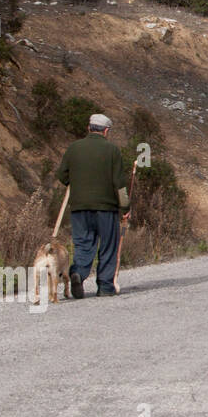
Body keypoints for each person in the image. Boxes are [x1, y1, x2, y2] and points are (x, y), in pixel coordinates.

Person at [55, 113, 130, 298]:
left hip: (79, 207)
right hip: (106, 208)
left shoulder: (74, 148)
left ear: (89, 128)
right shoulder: (112, 150)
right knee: (108, 246)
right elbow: (120, 183)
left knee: (83, 245)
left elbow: (62, 175)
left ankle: (78, 273)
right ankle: (105, 286)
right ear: (106, 131)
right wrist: (125, 208)